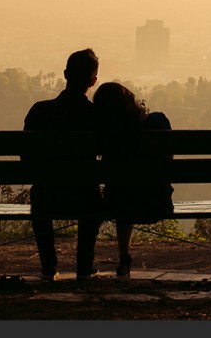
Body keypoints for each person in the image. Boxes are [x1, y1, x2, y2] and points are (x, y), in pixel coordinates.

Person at [23, 48, 103, 280]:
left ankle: (49, 266)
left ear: (65, 74)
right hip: (85, 197)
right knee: (92, 196)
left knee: (39, 197)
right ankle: (84, 267)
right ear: (93, 81)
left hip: (47, 196)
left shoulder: (40, 111)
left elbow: (26, 158)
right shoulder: (95, 115)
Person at [92, 81, 174, 278]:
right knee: (128, 192)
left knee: (124, 193)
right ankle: (124, 259)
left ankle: (123, 259)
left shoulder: (107, 136)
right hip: (157, 204)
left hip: (119, 205)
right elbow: (168, 159)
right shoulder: (158, 122)